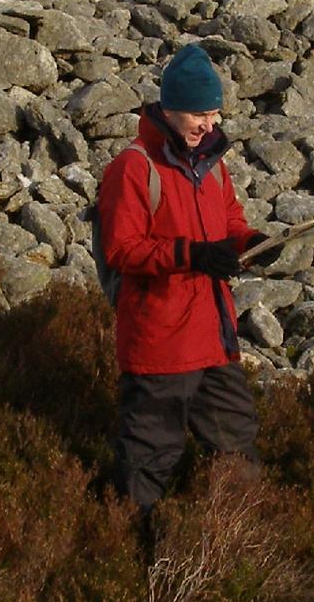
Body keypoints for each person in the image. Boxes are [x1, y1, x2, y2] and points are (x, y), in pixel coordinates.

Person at [98, 42, 268, 521]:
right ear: (170, 108)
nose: (209, 126)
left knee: (237, 443)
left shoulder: (212, 164)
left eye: (214, 115)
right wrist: (193, 255)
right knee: (149, 456)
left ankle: (237, 546)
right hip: (160, 342)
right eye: (200, 115)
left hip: (214, 339)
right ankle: (131, 549)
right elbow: (121, 249)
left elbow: (231, 220)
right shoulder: (133, 167)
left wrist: (252, 244)